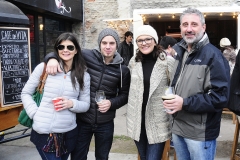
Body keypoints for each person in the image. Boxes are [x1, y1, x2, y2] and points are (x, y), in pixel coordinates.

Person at [44, 28, 131, 160]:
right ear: (99, 44)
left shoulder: (122, 69)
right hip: (82, 119)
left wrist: (111, 103)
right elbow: (64, 52)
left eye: (112, 43)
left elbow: (125, 95)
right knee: (78, 156)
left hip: (105, 122)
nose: (108, 47)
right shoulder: (86, 55)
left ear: (117, 45)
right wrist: (51, 59)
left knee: (102, 156)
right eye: (104, 43)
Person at [163, 7, 230, 160]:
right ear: (180, 28)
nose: (189, 29)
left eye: (194, 24)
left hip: (200, 134)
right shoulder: (181, 53)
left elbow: (220, 98)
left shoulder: (214, 56)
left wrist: (184, 103)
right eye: (185, 24)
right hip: (178, 128)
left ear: (203, 27)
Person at [21, 32, 91, 160]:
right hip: (45, 133)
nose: (65, 50)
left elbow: (85, 104)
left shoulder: (83, 75)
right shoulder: (44, 68)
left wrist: (72, 103)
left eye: (70, 47)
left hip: (68, 133)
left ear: (76, 50)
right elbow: (26, 93)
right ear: (57, 49)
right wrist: (34, 114)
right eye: (61, 47)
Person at [126, 25, 175, 160]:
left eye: (148, 39)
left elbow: (174, 87)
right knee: (143, 156)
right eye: (140, 40)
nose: (144, 43)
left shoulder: (167, 62)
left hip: (157, 121)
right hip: (137, 121)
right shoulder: (133, 62)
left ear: (155, 40)